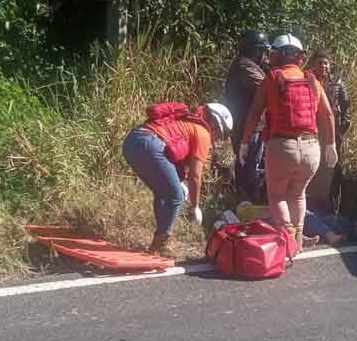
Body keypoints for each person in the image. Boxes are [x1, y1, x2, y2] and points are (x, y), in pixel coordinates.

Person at [238, 33, 338, 250]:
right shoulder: (312, 79)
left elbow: (255, 112)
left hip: (282, 147)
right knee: (298, 194)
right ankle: (299, 238)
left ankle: (289, 237)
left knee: (277, 196)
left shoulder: (272, 78)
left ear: (277, 55)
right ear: (300, 57)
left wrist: (245, 141)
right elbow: (328, 115)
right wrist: (331, 145)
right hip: (312, 148)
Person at [122, 102, 233, 254]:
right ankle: (161, 243)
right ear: (215, 124)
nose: (218, 138)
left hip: (131, 142)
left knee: (162, 193)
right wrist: (195, 206)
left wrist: (179, 182)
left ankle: (159, 238)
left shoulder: (185, 121)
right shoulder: (203, 133)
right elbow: (195, 175)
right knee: (176, 196)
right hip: (150, 145)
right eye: (221, 133)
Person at [224, 30, 270, 203]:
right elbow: (267, 89)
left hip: (249, 126)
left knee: (249, 167)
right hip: (247, 128)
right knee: (249, 169)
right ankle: (246, 205)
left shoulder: (246, 65)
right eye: (263, 51)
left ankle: (245, 201)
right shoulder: (245, 66)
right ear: (255, 51)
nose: (265, 55)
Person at [304, 49, 350, 214]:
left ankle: (332, 208)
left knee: (333, 169)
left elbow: (346, 105)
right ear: (312, 64)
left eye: (326, 62)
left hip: (333, 133)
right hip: (313, 132)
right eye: (320, 62)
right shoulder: (307, 80)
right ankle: (311, 206)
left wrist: (343, 124)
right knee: (314, 168)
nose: (323, 66)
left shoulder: (337, 82)